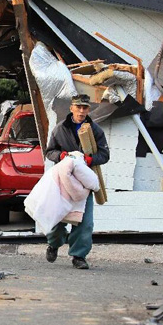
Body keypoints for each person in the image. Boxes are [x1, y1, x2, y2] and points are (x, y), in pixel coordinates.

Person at [44, 94, 109, 269]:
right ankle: (54, 243)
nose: (81, 111)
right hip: (63, 180)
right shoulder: (59, 129)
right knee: (57, 217)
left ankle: (78, 256)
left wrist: (90, 160)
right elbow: (49, 152)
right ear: (71, 108)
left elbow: (104, 155)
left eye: (85, 108)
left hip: (84, 183)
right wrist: (62, 156)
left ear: (89, 110)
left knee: (85, 222)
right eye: (78, 107)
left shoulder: (95, 130)